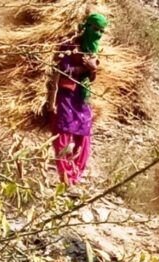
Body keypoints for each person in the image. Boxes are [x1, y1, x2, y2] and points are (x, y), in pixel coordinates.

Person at [47, 12, 108, 186]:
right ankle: (65, 177)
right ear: (87, 27)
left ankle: (76, 175)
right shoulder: (70, 44)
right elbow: (63, 69)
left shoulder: (93, 49)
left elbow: (91, 77)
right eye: (95, 29)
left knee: (84, 133)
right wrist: (84, 67)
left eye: (101, 31)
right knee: (64, 132)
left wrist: (92, 69)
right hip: (66, 94)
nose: (98, 33)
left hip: (83, 97)